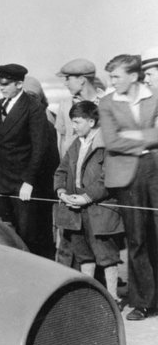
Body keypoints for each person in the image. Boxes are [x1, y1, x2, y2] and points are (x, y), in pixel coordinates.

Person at [98, 53, 158, 320]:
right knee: (137, 238)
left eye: (116, 76)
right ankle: (144, 302)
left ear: (133, 76)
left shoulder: (154, 97)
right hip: (127, 175)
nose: (112, 81)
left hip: (154, 170)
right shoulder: (108, 102)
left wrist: (133, 135)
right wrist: (148, 139)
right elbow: (111, 141)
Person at [54, 101, 123, 300]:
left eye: (76, 122)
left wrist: (86, 197)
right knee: (84, 254)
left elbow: (107, 177)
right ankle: (89, 296)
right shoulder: (76, 143)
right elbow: (61, 170)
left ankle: (112, 296)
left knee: (106, 255)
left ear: (91, 121)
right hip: (74, 210)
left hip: (99, 210)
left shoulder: (106, 144)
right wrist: (61, 192)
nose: (72, 127)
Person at [0, 64, 53, 255]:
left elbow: (39, 148)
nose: (2, 87)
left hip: (22, 183)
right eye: (0, 84)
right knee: (1, 232)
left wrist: (29, 181)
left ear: (19, 84)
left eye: (6, 84)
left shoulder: (33, 107)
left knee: (27, 234)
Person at [53, 59, 103, 156]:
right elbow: (63, 140)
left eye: (68, 78)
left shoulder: (106, 103)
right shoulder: (65, 105)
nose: (65, 83)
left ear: (81, 80)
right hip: (72, 165)